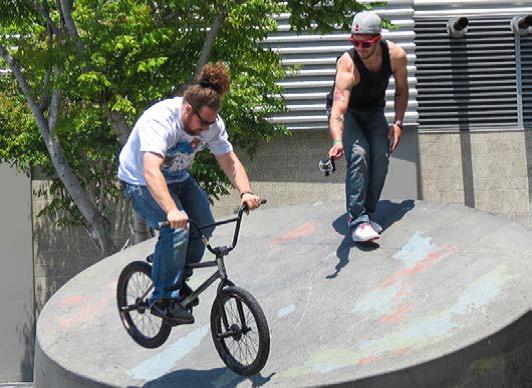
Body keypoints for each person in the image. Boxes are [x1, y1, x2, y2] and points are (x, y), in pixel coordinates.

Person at [118, 62, 262, 323]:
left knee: (204, 225)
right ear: (187, 109)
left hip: (179, 178)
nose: (206, 129)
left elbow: (229, 160)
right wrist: (172, 210)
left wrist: (245, 191)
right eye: (202, 122)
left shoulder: (211, 124)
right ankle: (162, 299)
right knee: (177, 229)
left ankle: (175, 275)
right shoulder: (160, 121)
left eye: (210, 123)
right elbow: (151, 170)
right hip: (140, 181)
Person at [328, 11, 409, 243]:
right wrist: (336, 140)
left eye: (366, 43)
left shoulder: (395, 55)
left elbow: (402, 90)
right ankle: (356, 219)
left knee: (381, 156)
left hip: (374, 111)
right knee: (359, 154)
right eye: (355, 43)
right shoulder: (348, 64)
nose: (360, 48)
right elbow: (338, 111)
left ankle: (367, 215)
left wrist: (398, 123)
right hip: (350, 114)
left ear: (378, 39)